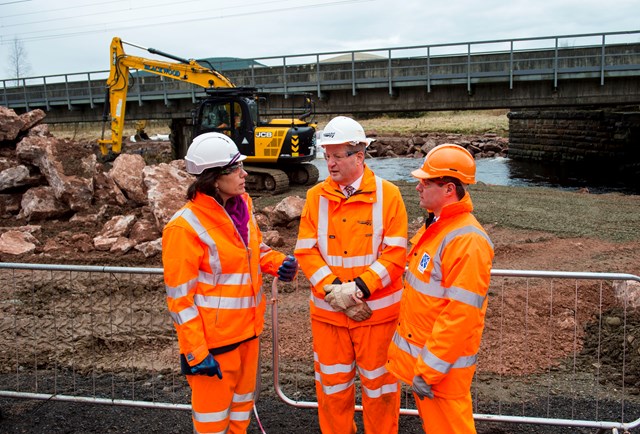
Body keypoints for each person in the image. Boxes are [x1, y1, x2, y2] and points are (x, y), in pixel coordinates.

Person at [162, 132, 298, 434]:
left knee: (240, 420)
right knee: (212, 426)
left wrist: (278, 264)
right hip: (215, 348)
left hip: (248, 336)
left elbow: (253, 250)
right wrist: (196, 353)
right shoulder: (183, 228)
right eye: (236, 168)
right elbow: (180, 300)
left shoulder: (241, 207)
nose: (244, 173)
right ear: (212, 178)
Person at [295, 116, 408, 433]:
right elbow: (306, 251)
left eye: (337, 155)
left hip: (376, 318)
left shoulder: (389, 196)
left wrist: (357, 289)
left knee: (381, 392)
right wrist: (337, 293)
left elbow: (396, 253)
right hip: (330, 318)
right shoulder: (315, 197)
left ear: (359, 156)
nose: (330, 163)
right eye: (326, 155)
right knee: (332, 393)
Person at [385, 144, 494, 433]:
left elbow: (460, 315)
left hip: (441, 373)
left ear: (448, 189)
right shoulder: (440, 228)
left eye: (426, 181)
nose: (418, 186)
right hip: (431, 369)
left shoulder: (467, 240)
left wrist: (430, 370)